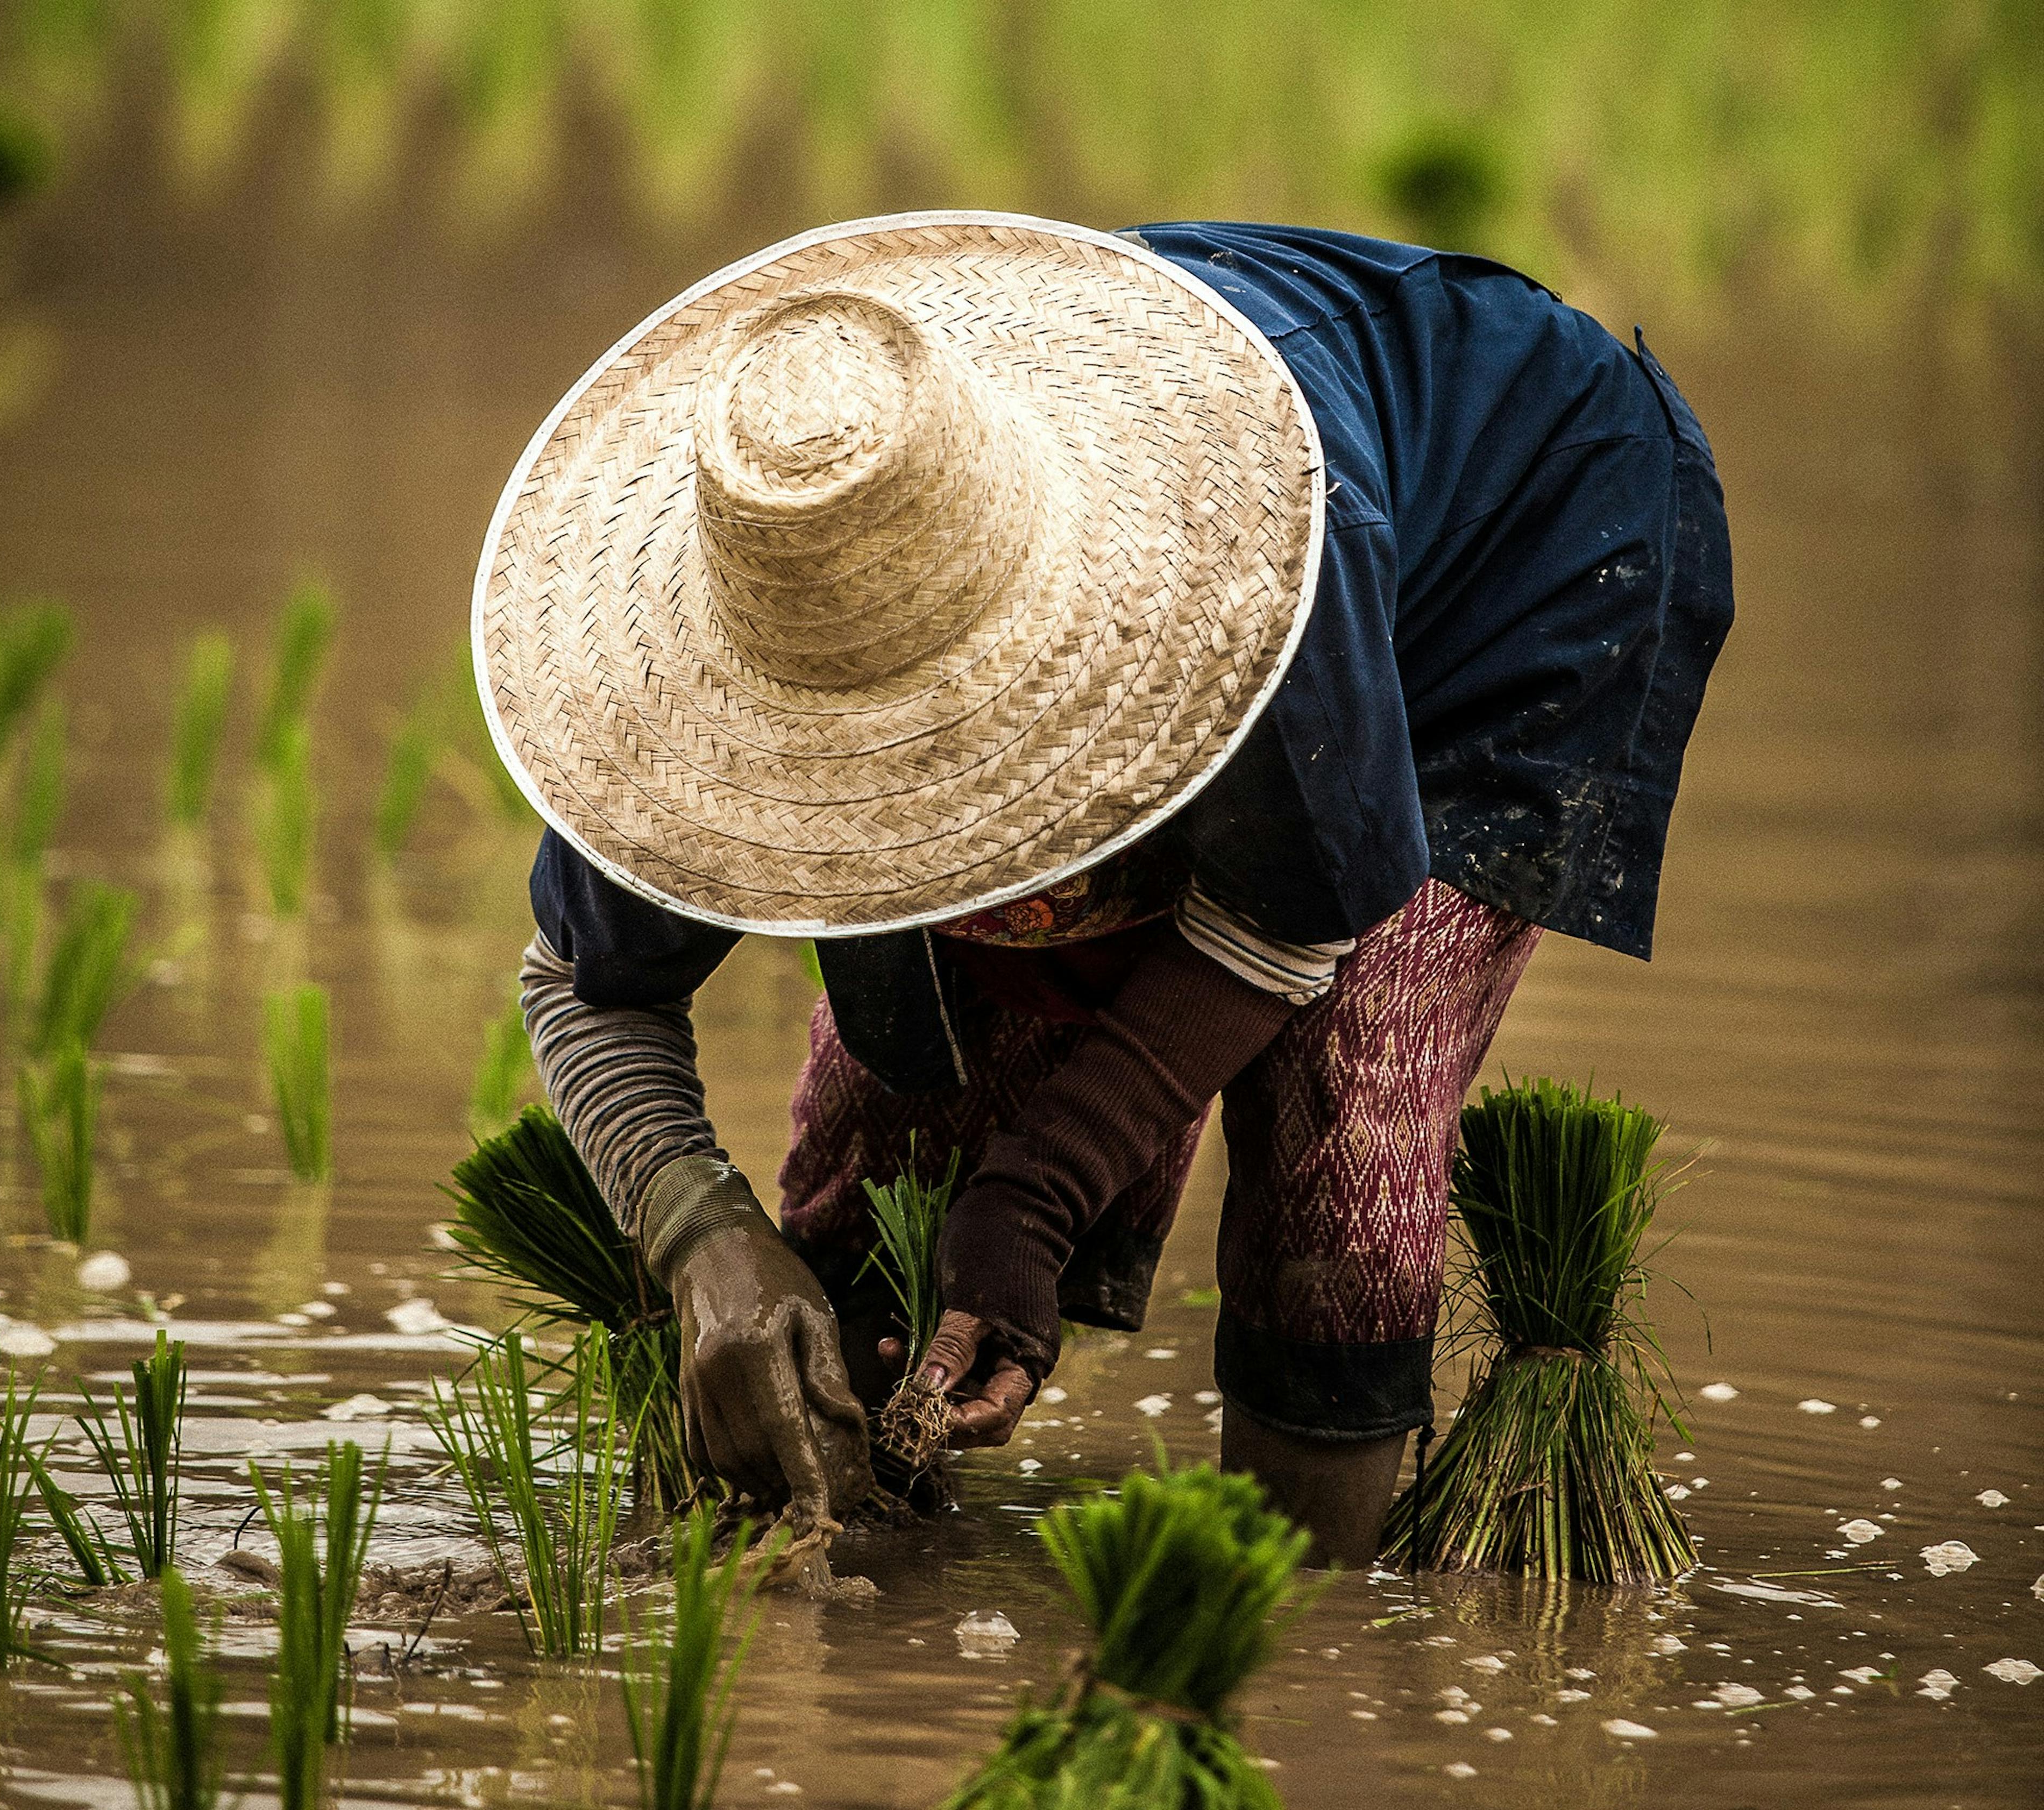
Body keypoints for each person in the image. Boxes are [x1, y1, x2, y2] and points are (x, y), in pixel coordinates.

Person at [476, 214, 1732, 1563]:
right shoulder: (709, 655)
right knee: (904, 1112)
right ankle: (865, 1542)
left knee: (1344, 1113)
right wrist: (703, 1241)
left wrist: (1042, 1194)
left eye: (940, 746)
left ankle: (1288, 1629)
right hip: (1152, 535)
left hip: (1514, 542)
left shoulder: (1247, 580)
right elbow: (582, 982)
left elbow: (1295, 911)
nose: (899, 794)